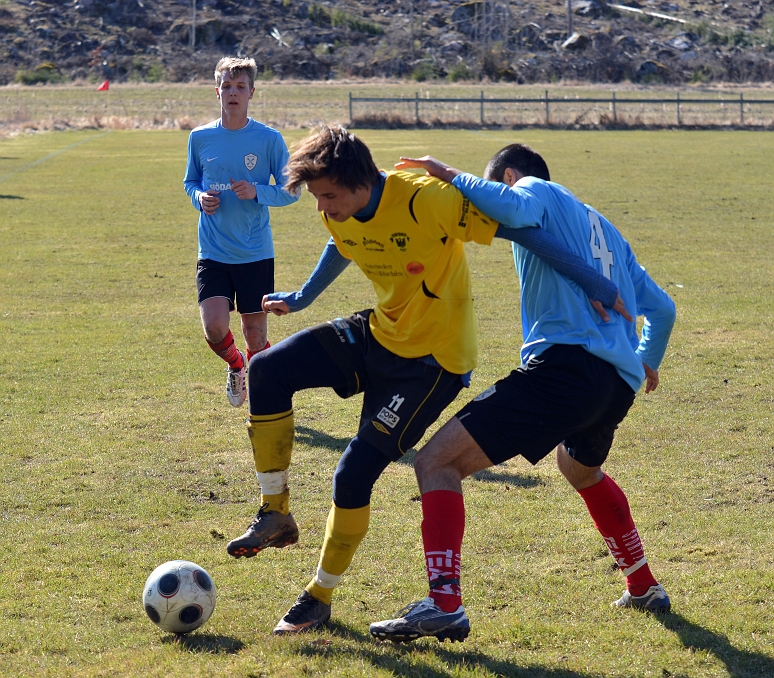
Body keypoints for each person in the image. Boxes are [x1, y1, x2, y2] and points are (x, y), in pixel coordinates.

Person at [225, 126, 626, 636]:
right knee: (266, 370)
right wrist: (302, 297)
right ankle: (275, 514)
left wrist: (594, 281)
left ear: (357, 180)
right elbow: (343, 243)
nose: (323, 208)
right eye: (317, 198)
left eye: (328, 195)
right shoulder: (338, 210)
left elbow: (521, 232)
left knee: (351, 474)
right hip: (380, 333)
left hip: (433, 364)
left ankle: (318, 597)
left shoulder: (426, 199)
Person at [369, 145, 677, 643]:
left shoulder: (533, 189)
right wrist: (646, 360)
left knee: (436, 462)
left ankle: (444, 604)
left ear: (510, 176)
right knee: (580, 468)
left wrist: (449, 175)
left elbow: (511, 208)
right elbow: (662, 310)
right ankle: (642, 585)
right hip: (615, 385)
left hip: (564, 370)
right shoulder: (610, 234)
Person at [183, 57, 298, 407]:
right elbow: (190, 182)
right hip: (213, 252)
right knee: (214, 328)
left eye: (240, 87)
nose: (233, 93)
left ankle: (266, 392)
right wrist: (199, 198)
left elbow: (292, 188)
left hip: (254, 252)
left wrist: (258, 192)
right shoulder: (200, 137)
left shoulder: (269, 139)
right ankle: (237, 366)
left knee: (255, 333)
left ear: (252, 92)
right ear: (217, 91)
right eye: (227, 87)